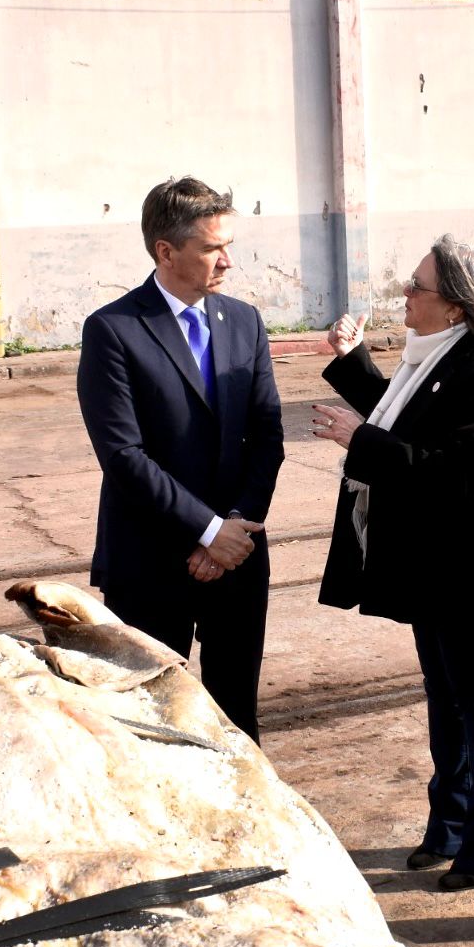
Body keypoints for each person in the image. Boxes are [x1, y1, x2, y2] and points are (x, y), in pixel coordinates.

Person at [312, 235, 474, 892]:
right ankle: (451, 824)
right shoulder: (435, 358)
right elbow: (408, 420)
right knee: (448, 703)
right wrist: (351, 361)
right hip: (435, 568)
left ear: (458, 308)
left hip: (470, 575)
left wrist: (361, 442)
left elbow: (451, 468)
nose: (404, 295)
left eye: (417, 287)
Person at [75, 176, 284, 742]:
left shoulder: (243, 323)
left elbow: (267, 436)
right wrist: (206, 530)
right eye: (213, 248)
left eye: (229, 247)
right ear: (166, 251)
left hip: (237, 559)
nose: (227, 263)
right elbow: (123, 455)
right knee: (149, 724)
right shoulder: (113, 331)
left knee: (235, 718)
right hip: (152, 562)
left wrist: (233, 529)